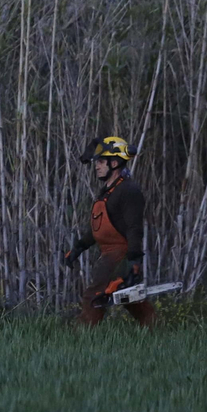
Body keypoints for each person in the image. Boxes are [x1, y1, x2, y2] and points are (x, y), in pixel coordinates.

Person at [63, 136, 156, 327]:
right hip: (109, 254)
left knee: (94, 297)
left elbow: (134, 228)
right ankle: (158, 330)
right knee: (131, 300)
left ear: (114, 163)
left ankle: (79, 337)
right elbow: (99, 229)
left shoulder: (128, 190)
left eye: (101, 162)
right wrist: (78, 248)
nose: (96, 166)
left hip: (120, 256)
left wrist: (134, 263)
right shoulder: (108, 191)